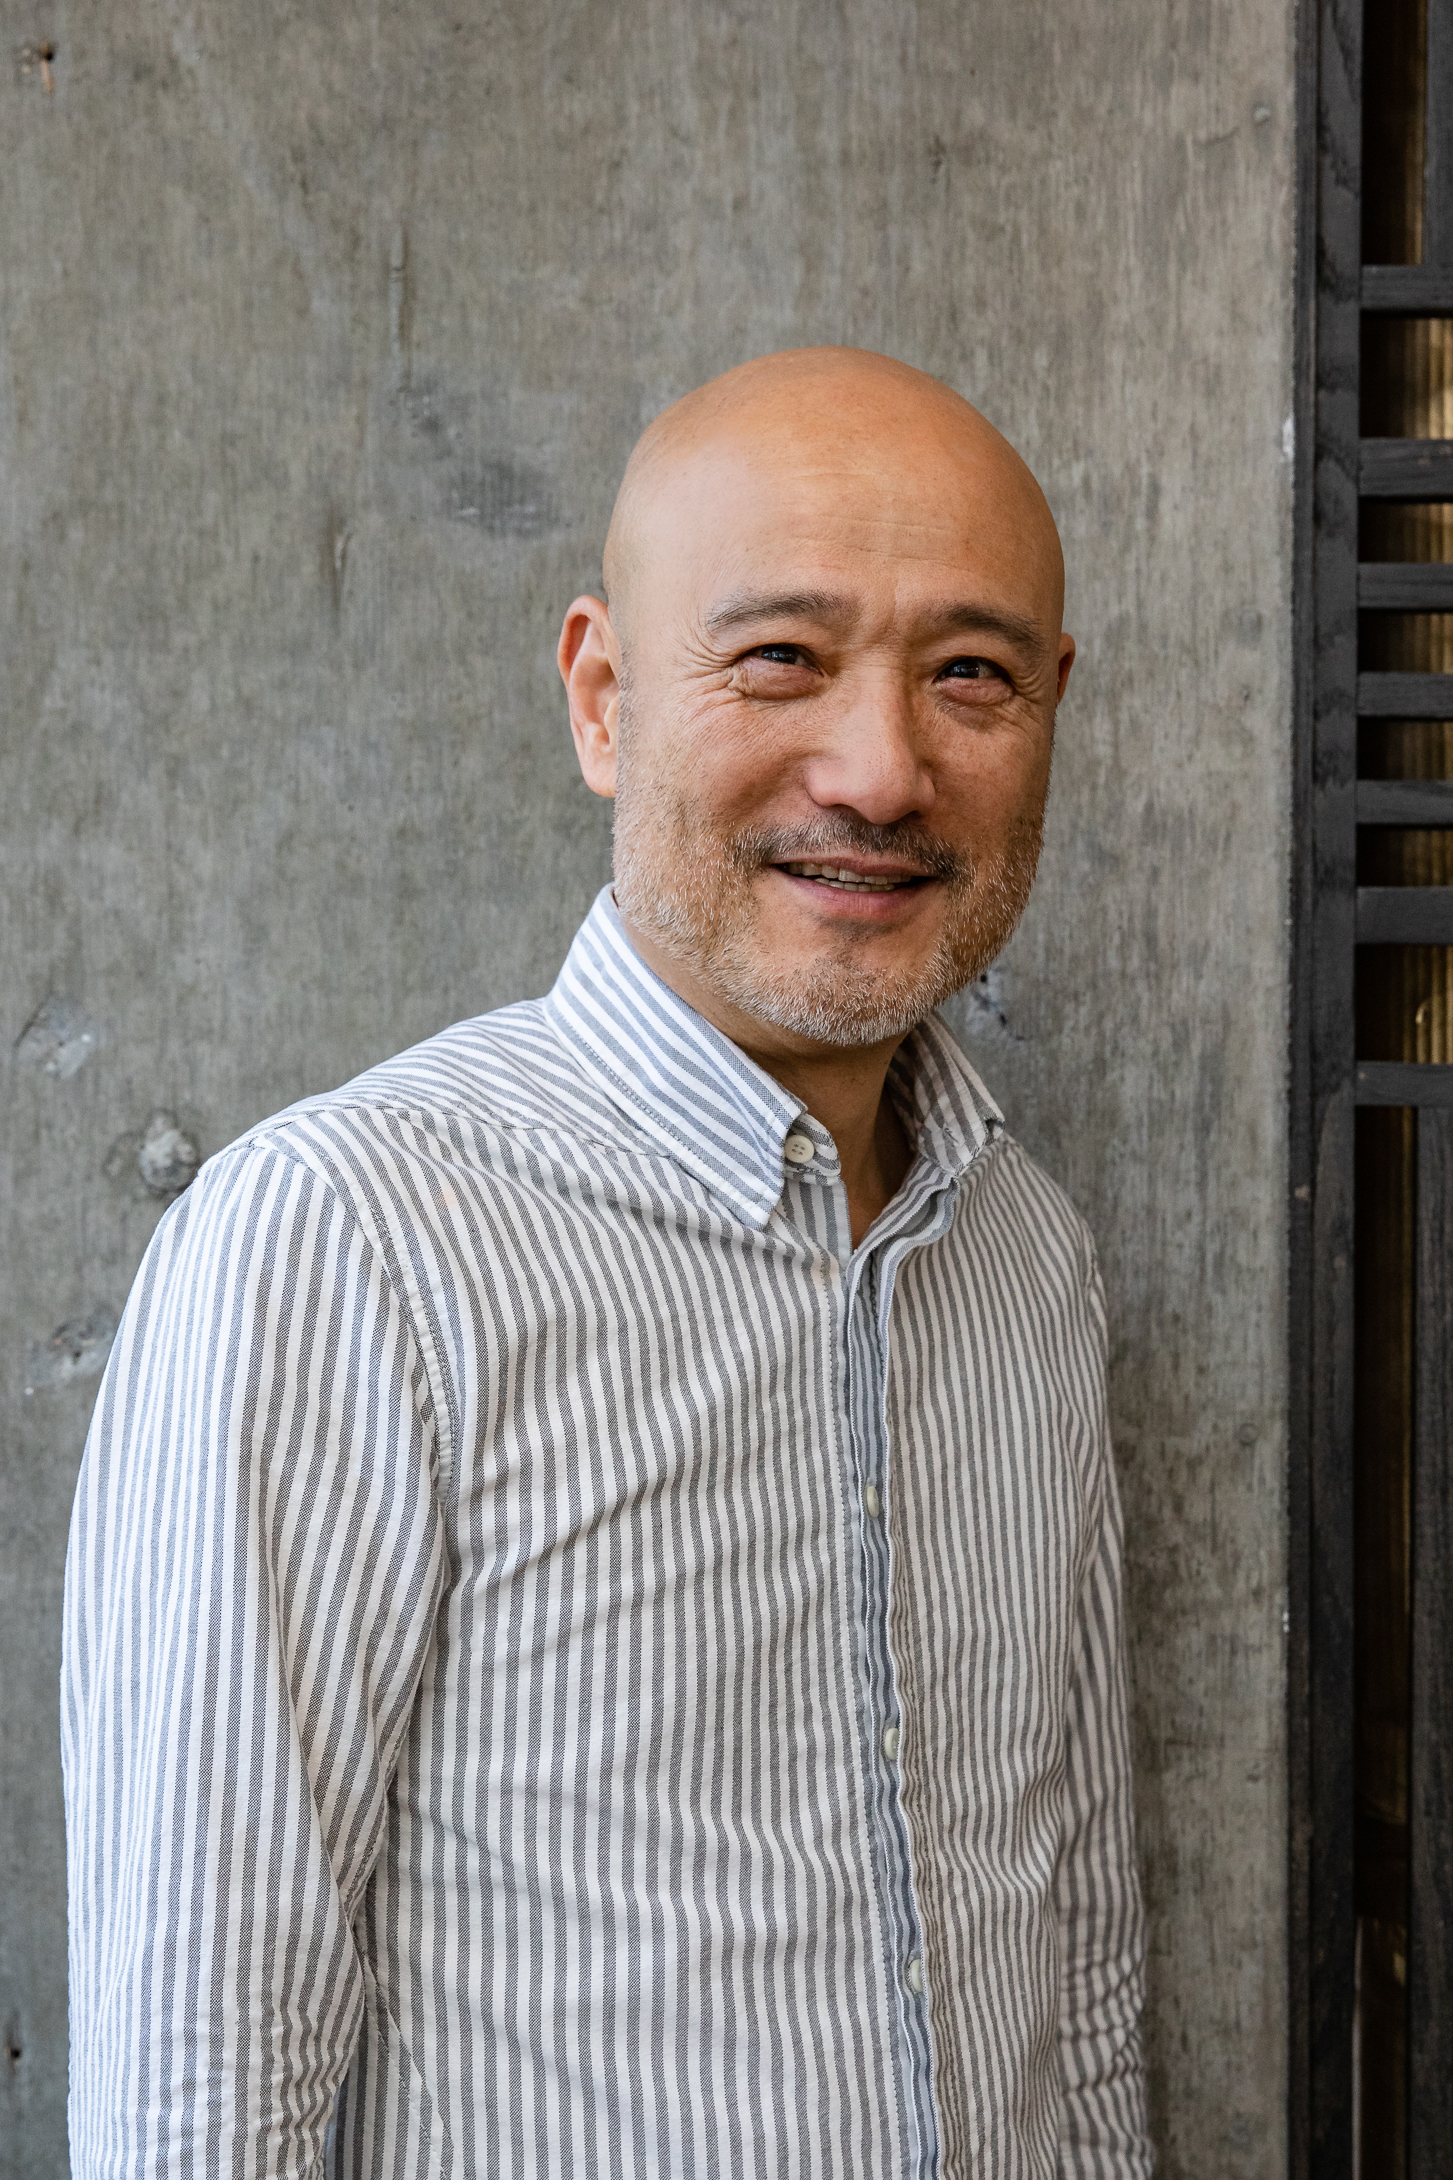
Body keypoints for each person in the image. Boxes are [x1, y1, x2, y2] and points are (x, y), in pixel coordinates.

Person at [63, 347, 1151, 2179]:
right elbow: (195, 2088)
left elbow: (1081, 1975)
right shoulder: (345, 1241)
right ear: (600, 697)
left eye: (966, 674)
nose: (880, 769)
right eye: (778, 660)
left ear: (1050, 704)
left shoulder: (1023, 1256)